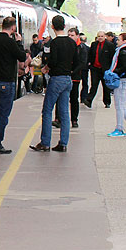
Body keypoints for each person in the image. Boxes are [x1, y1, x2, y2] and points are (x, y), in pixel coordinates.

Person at [31, 15, 78, 153]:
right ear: (64, 26)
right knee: (64, 112)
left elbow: (54, 60)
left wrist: (47, 67)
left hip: (56, 79)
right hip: (67, 79)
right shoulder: (71, 43)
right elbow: (75, 60)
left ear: (52, 27)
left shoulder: (55, 43)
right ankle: (63, 143)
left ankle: (45, 143)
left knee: (47, 111)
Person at [0, 17, 29, 154]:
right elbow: (22, 57)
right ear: (13, 28)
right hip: (7, 83)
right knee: (3, 114)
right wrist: (19, 42)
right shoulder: (10, 42)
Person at [54, 27, 85, 129]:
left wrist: (73, 71)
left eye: (72, 35)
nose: (70, 37)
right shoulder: (66, 45)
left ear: (77, 36)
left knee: (74, 99)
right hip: (64, 75)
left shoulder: (81, 47)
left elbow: (82, 62)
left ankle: (74, 119)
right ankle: (58, 119)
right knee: (60, 98)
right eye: (69, 35)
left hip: (74, 77)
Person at [85, 31, 115, 108]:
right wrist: (90, 64)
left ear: (104, 36)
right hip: (95, 68)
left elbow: (112, 57)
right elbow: (90, 55)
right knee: (94, 85)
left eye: (102, 36)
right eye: (99, 36)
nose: (100, 38)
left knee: (105, 86)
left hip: (105, 69)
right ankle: (89, 100)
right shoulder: (94, 44)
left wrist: (111, 69)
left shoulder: (109, 45)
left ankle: (107, 102)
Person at [79, 33, 90, 101]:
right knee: (85, 82)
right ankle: (84, 97)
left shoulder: (77, 47)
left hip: (78, 68)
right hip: (85, 68)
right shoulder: (88, 48)